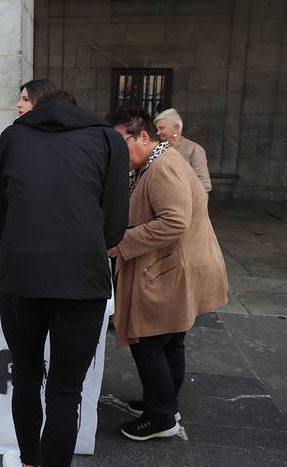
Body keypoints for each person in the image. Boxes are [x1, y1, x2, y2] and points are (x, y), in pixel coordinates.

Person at [0, 79, 129, 467]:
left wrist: (4, 262)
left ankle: (29, 461)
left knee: (27, 378)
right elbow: (116, 225)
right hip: (82, 278)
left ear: (36, 105)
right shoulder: (107, 140)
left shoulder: (14, 137)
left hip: (20, 276)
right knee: (66, 391)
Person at [106, 107, 227, 442]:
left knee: (149, 343)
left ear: (143, 137)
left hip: (169, 271)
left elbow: (174, 222)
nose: (115, 153)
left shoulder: (162, 167)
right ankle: (164, 403)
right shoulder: (158, 161)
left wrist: (122, 242)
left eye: (120, 144)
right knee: (170, 340)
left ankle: (161, 417)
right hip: (173, 267)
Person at [154, 108, 212, 192]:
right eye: (157, 129)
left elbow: (204, 185)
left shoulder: (195, 150)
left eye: (161, 128)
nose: (158, 133)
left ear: (176, 128)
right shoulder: (157, 149)